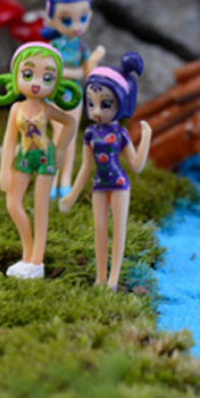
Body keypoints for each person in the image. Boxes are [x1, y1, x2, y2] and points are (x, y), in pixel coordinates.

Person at [0, 42, 81, 278]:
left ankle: (36, 262)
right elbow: (9, 141)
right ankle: (27, 253)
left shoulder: (47, 109)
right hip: (24, 157)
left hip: (44, 157)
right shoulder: (16, 109)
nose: (37, 83)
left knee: (41, 208)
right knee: (13, 203)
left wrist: (60, 150)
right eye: (28, 74)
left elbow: (70, 122)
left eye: (47, 78)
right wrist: (4, 171)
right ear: (15, 76)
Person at [60, 52, 152, 290]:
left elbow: (136, 165)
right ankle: (100, 277)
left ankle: (113, 279)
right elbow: (85, 167)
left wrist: (146, 138)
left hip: (120, 184)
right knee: (100, 231)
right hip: (99, 185)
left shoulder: (121, 133)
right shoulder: (90, 133)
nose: (97, 111)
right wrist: (72, 195)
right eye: (91, 103)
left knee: (118, 231)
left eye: (105, 104)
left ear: (121, 103)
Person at [41, 0, 105, 198]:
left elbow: (87, 73)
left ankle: (66, 180)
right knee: (58, 136)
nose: (76, 25)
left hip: (75, 96)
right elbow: (53, 72)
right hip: (55, 95)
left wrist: (94, 59)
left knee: (71, 137)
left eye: (83, 18)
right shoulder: (54, 46)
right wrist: (74, 72)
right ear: (51, 19)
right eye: (67, 20)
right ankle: (52, 178)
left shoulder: (81, 47)